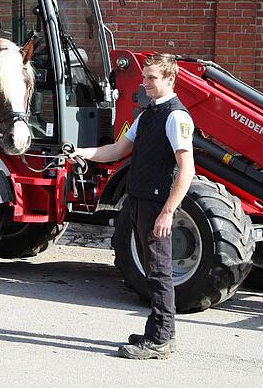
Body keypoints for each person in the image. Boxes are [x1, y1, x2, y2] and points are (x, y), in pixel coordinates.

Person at [72, 53, 195, 360]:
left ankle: (161, 340)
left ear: (170, 79)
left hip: (156, 205)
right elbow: (117, 149)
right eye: (145, 77)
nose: (145, 83)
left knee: (159, 272)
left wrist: (168, 211)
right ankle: (157, 331)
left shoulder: (176, 117)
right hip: (139, 200)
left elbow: (187, 169)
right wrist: (83, 152)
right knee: (153, 269)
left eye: (152, 78)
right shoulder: (147, 114)